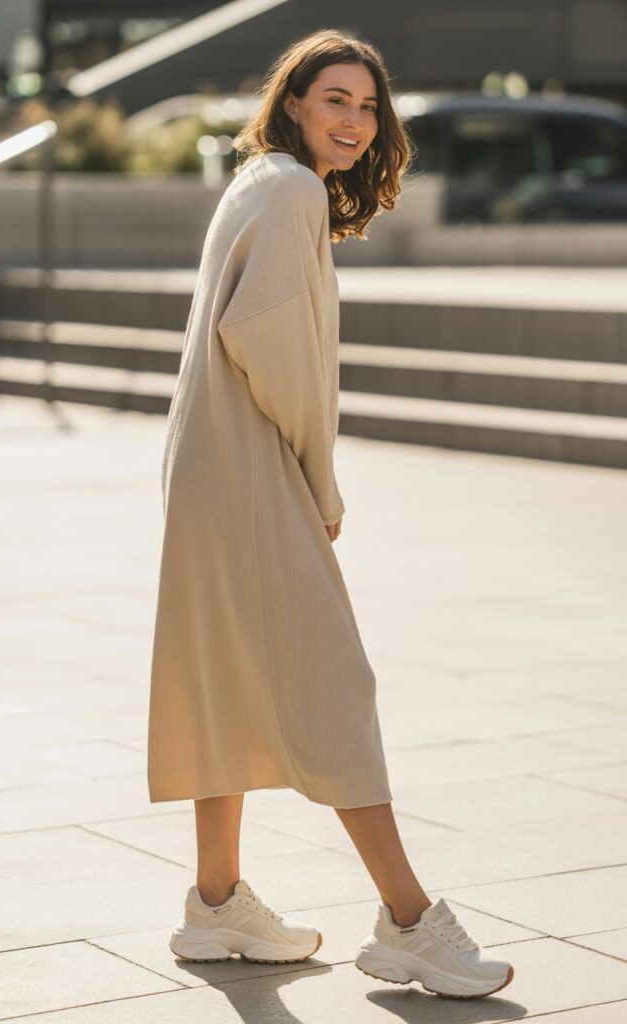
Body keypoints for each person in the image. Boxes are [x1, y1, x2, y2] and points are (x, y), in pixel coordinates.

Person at [147, 28, 514, 999]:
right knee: (333, 686)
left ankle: (217, 901)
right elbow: (267, 339)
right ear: (295, 104)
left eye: (367, 106)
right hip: (252, 466)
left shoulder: (258, 180)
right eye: (335, 100)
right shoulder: (293, 189)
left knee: (221, 676)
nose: (354, 121)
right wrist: (318, 478)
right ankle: (409, 922)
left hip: (207, 468)